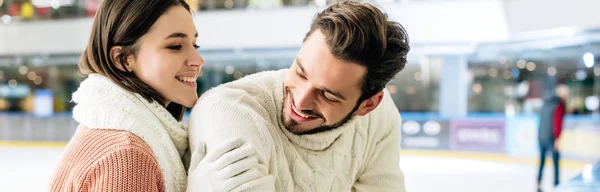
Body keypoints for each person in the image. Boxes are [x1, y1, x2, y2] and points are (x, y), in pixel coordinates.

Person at [187, 1, 410, 191]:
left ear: (368, 105)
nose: (301, 101)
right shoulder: (228, 112)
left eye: (328, 95)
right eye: (300, 73)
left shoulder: (379, 118)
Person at [50, 0, 257, 191]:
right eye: (175, 46)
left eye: (195, 45)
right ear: (123, 59)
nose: (198, 60)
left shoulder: (120, 134)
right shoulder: (126, 157)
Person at [537, 84, 568, 191]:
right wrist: (557, 139)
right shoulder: (559, 105)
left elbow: (541, 121)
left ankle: (539, 182)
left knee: (541, 160)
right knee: (555, 162)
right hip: (551, 137)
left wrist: (540, 136)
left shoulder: (545, 103)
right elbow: (557, 123)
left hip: (541, 136)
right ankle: (556, 184)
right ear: (562, 94)